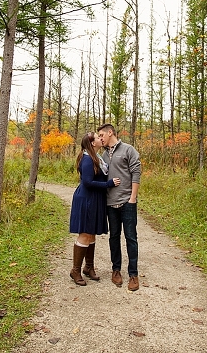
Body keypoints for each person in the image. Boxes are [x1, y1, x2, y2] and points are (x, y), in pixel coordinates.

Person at [69, 132, 120, 286]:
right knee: (85, 234)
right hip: (86, 199)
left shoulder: (97, 158)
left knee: (91, 235)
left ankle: (88, 267)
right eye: (97, 138)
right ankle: (75, 270)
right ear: (92, 143)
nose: (100, 139)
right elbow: (87, 182)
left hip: (95, 199)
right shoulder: (86, 159)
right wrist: (108, 184)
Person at [97, 123, 142, 291]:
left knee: (131, 237)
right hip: (110, 203)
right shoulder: (103, 155)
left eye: (102, 135)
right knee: (114, 237)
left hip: (127, 201)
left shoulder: (128, 150)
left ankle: (133, 274)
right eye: (99, 136)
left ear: (110, 133)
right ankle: (116, 270)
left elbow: (136, 172)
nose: (100, 138)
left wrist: (132, 198)